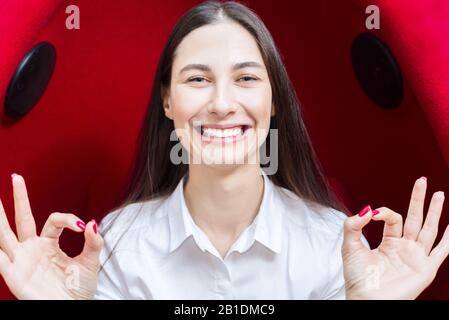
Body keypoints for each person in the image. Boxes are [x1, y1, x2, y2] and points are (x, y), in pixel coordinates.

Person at [0, 1, 448, 300]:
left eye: (247, 78)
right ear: (168, 100)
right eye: (197, 79)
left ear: (274, 102)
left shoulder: (331, 241)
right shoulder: (117, 241)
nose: (220, 103)